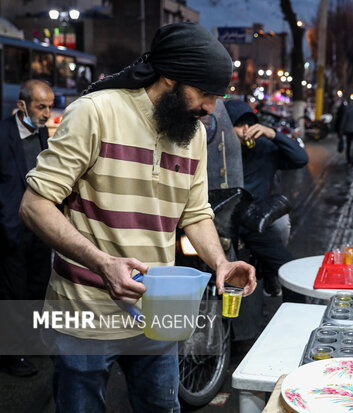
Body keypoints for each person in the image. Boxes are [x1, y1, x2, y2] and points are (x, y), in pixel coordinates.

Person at [18, 23, 256, 412]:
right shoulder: (95, 113)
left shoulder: (193, 134)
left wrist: (221, 262)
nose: (211, 109)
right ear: (170, 77)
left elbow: (195, 213)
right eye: (205, 94)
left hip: (157, 315)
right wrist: (103, 263)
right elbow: (34, 204)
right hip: (84, 311)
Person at [223, 99, 308, 297]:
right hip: (220, 222)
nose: (245, 130)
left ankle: (290, 306)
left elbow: (301, 159)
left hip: (252, 222)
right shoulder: (217, 151)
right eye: (239, 125)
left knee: (288, 268)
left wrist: (273, 134)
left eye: (249, 124)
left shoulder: (264, 149)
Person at [0, 79, 54, 376]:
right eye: (40, 106)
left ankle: (32, 342)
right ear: (21, 106)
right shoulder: (2, 134)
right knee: (12, 294)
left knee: (37, 287)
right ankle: (11, 356)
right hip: (11, 229)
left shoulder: (43, 133)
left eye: (49, 106)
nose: (47, 113)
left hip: (39, 227)